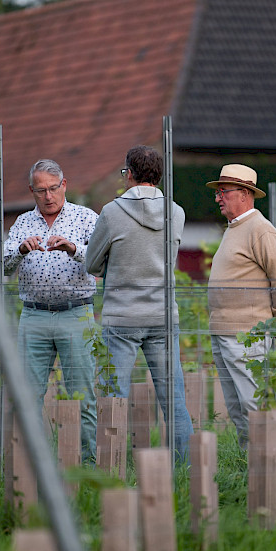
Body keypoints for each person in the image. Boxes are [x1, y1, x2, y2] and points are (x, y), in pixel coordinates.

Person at [84, 145, 193, 464]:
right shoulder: (177, 212)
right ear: (159, 176)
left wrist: (115, 264)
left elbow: (92, 263)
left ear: (129, 174)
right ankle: (185, 471)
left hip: (122, 318)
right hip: (162, 315)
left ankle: (109, 468)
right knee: (174, 400)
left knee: (113, 398)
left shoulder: (111, 212)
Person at [3, 159, 99, 462]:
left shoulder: (86, 218)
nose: (48, 196)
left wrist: (73, 249)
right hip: (34, 315)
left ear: (64, 185)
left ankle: (87, 465)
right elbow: (3, 267)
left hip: (76, 313)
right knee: (28, 396)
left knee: (82, 396)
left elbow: (102, 261)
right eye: (41, 190)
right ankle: (31, 466)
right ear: (32, 191)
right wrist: (20, 250)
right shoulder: (22, 224)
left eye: (53, 189)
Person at [205, 164, 276, 449]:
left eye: (224, 192)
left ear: (244, 194)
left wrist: (275, 320)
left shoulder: (261, 230)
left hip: (247, 334)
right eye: (218, 192)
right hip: (225, 332)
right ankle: (251, 464)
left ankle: (271, 468)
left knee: (254, 404)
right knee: (237, 407)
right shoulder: (235, 229)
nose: (218, 198)